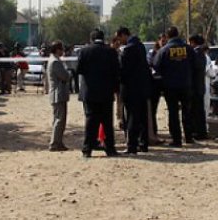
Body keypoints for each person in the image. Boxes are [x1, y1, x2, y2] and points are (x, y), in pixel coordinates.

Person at [76, 29, 121, 158]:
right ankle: (110, 148)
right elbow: (116, 71)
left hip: (90, 92)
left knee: (90, 120)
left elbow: (79, 70)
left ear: (91, 39)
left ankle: (87, 149)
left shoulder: (84, 51)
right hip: (106, 92)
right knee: (107, 121)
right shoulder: (111, 51)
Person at [154, 26, 195, 146]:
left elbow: (156, 65)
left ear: (167, 36)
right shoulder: (188, 49)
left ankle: (176, 139)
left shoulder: (164, 50)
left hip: (170, 86)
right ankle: (188, 137)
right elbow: (195, 64)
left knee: (173, 112)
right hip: (186, 84)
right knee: (187, 111)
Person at [116, 27, 152, 154]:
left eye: (119, 38)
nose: (119, 41)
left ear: (124, 35)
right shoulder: (140, 46)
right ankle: (144, 144)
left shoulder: (128, 50)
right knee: (142, 117)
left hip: (130, 89)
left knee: (131, 117)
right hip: (142, 88)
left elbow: (122, 70)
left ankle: (132, 145)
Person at [46, 41, 71, 151]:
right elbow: (65, 76)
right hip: (58, 94)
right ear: (57, 49)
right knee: (59, 119)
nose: (63, 51)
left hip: (58, 94)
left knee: (59, 119)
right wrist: (68, 71)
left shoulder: (54, 60)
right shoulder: (55, 62)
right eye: (61, 49)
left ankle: (58, 142)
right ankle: (55, 143)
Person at [188, 34, 209, 140]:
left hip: (195, 87)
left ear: (193, 42)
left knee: (196, 111)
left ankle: (198, 132)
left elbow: (194, 68)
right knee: (199, 111)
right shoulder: (201, 53)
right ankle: (201, 132)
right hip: (199, 86)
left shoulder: (196, 53)